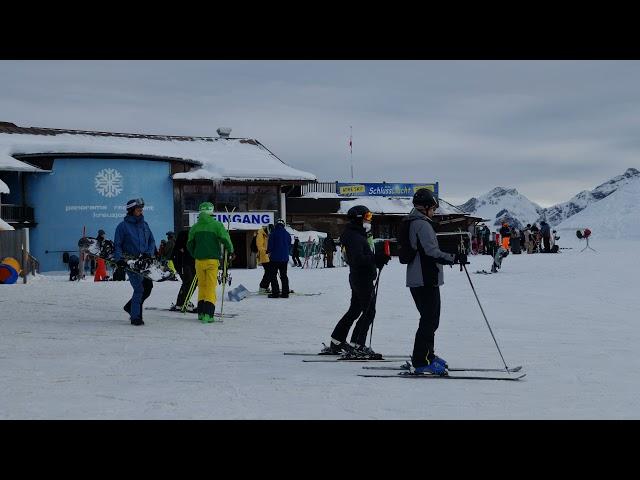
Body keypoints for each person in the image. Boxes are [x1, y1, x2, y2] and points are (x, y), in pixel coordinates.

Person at [403, 188, 464, 375]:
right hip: (425, 278)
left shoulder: (414, 221)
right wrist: (454, 257)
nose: (435, 211)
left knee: (430, 320)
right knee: (429, 320)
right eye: (434, 208)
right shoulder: (421, 224)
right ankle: (422, 361)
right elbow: (431, 251)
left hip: (420, 278)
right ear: (426, 207)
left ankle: (428, 355)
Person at [323, 205, 390, 357]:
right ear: (359, 219)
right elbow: (357, 259)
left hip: (360, 277)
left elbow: (363, 256)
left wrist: (377, 259)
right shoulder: (353, 236)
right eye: (367, 217)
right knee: (369, 311)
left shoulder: (358, 234)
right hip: (361, 278)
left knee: (355, 310)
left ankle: (337, 340)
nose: (369, 220)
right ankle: (357, 344)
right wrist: (376, 258)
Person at [187, 202, 234, 323]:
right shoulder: (217, 225)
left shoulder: (195, 227)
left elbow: (189, 244)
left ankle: (201, 313)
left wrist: (195, 254)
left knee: (202, 286)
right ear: (211, 212)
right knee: (210, 287)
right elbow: (225, 238)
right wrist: (231, 250)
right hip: (212, 261)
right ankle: (209, 314)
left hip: (198, 261)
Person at [114, 198, 156, 326]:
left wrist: (149, 253)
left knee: (148, 287)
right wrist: (119, 259)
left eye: (141, 209)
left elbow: (151, 241)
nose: (141, 211)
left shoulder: (145, 225)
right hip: (130, 261)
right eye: (138, 209)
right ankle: (136, 317)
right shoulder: (122, 226)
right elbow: (118, 245)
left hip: (144, 262)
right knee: (139, 289)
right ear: (131, 210)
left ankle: (130, 306)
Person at [171, 229, 196, 311]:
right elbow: (179, 252)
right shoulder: (182, 242)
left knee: (191, 282)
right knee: (188, 282)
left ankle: (184, 301)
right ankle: (181, 303)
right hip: (183, 264)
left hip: (187, 264)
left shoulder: (186, 242)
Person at [266, 218, 292, 298]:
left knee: (273, 276)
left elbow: (270, 246)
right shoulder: (287, 234)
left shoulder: (273, 234)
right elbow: (289, 246)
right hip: (284, 259)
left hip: (274, 259)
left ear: (276, 225)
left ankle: (275, 293)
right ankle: (285, 293)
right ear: (283, 225)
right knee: (284, 276)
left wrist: (268, 251)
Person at [256, 225, 272, 292]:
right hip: (263, 256)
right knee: (269, 272)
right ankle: (262, 287)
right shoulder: (260, 234)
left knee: (269, 272)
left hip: (267, 256)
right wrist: (266, 251)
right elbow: (259, 246)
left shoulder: (266, 234)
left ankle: (265, 287)